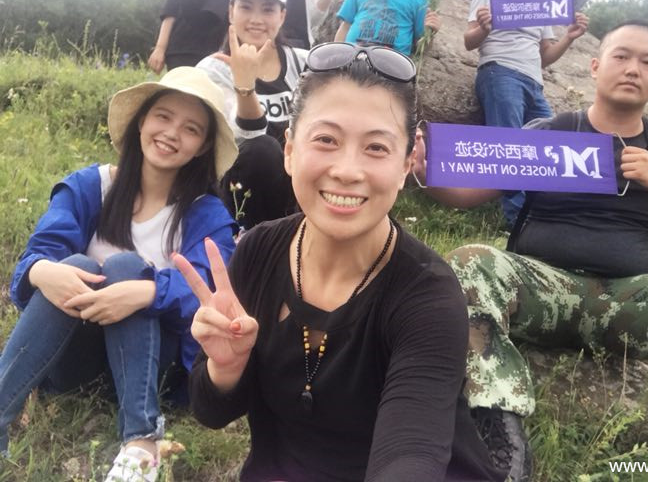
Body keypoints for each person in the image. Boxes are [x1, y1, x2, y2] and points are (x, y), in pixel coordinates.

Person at [414, 21, 648, 482]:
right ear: (595, 67)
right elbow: (471, 194)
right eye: (621, 56)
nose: (632, 69)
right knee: (470, 260)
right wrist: (428, 174)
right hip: (542, 293)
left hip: (628, 304)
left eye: (647, 62)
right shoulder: (552, 132)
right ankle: (499, 429)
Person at [174, 42, 505, 482]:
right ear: (290, 150)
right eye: (326, 140)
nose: (348, 170)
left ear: (407, 163)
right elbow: (211, 411)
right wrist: (226, 368)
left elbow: (411, 452)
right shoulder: (257, 253)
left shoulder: (428, 297)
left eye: (377, 148)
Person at [0, 68, 239, 481]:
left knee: (127, 268)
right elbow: (38, 253)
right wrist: (42, 271)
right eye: (163, 116)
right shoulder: (89, 186)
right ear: (142, 121)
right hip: (74, 363)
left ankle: (141, 442)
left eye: (191, 129)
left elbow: (210, 291)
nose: (171, 133)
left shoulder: (206, 214)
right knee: (76, 265)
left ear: (202, 146)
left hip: (153, 368)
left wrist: (144, 293)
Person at [466, 0, 589, 224]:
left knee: (551, 146)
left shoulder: (540, 5)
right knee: (510, 146)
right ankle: (518, 221)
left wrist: (569, 37)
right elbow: (468, 42)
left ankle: (548, 214)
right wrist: (484, 28)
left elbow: (545, 56)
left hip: (534, 82)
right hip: (499, 72)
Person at [197, 0, 307, 230]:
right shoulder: (211, 71)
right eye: (246, 7)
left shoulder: (304, 63)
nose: (256, 19)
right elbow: (245, 139)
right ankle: (253, 240)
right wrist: (245, 85)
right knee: (262, 150)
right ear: (230, 12)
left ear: (282, 16)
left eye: (268, 10)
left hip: (299, 181)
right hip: (241, 186)